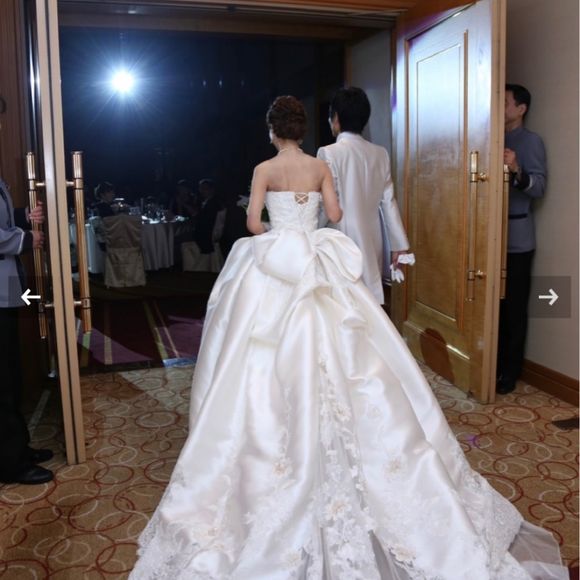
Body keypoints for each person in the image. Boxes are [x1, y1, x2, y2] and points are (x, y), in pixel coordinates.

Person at [129, 96, 565, 579]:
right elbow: (335, 214)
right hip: (320, 259)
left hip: (277, 261)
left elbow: (252, 224)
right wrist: (321, 225)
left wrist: (278, 226)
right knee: (354, 347)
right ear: (306, 128)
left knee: (258, 350)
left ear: (273, 131)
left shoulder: (264, 168)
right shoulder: (326, 164)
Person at [317, 86, 411, 304]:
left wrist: (311, 231)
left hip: (340, 236)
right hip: (372, 237)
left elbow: (327, 204)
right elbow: (388, 202)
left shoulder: (328, 153)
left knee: (340, 302)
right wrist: (399, 245)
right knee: (366, 299)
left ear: (336, 118)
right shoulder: (380, 154)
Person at [0, 176, 54, 485]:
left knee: (11, 374)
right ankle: (10, 463)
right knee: (3, 382)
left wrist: (23, 215)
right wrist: (23, 239)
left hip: (5, 286)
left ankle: (17, 448)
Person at [496, 84, 547, 395]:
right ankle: (489, 365)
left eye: (505, 102)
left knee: (514, 309)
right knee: (493, 306)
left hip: (517, 238)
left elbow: (539, 188)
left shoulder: (531, 142)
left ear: (521, 109)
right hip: (489, 236)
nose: (499, 106)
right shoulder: (490, 138)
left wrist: (517, 169)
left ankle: (509, 372)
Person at [193, 178, 222, 254]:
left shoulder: (214, 203)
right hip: (203, 233)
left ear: (211, 190)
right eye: (200, 188)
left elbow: (206, 220)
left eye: (204, 188)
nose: (202, 191)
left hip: (207, 235)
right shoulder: (204, 201)